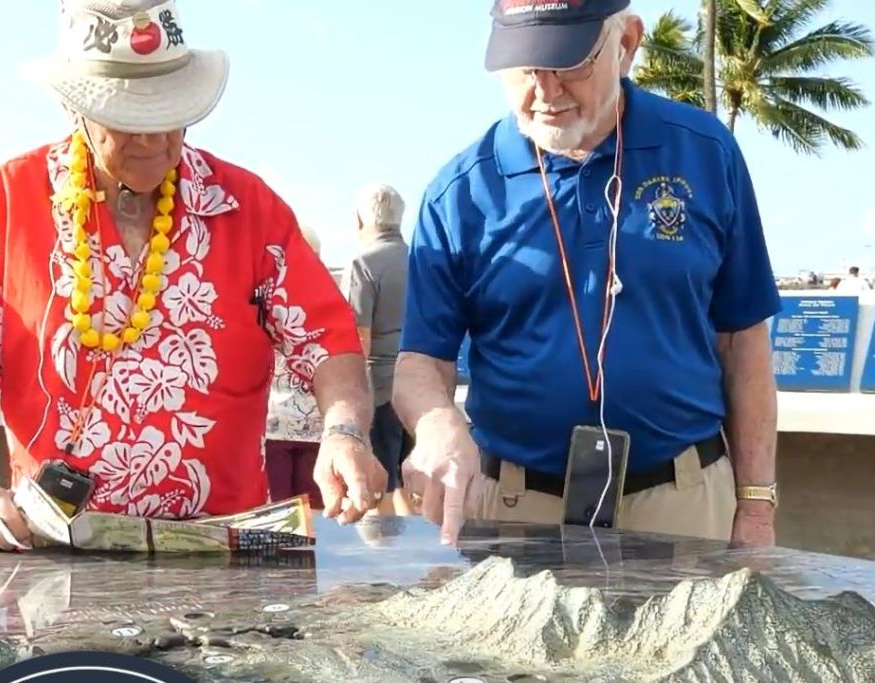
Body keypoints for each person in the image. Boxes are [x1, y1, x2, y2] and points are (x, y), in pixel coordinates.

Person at [0, 0, 386, 552]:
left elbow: (329, 343)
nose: (156, 139)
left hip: (221, 550)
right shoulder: (7, 203)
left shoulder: (249, 208)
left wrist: (344, 432)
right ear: (76, 110)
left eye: (170, 116)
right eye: (131, 120)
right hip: (56, 551)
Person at [394, 0, 781, 547]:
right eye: (525, 68)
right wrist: (435, 422)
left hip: (681, 501)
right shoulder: (460, 192)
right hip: (515, 510)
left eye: (570, 63)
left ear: (626, 45)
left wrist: (757, 506)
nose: (546, 92)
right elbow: (419, 362)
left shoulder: (706, 153)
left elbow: (743, 340)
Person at [341, 184, 413, 515]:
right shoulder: (423, 260)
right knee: (414, 485)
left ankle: (389, 564)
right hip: (422, 386)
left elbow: (358, 337)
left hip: (380, 388)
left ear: (359, 220)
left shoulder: (362, 264)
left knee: (382, 486)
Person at [264, 224, 326, 509]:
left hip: (273, 424)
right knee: (315, 516)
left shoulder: (265, 298)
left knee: (276, 515)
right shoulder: (330, 302)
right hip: (315, 425)